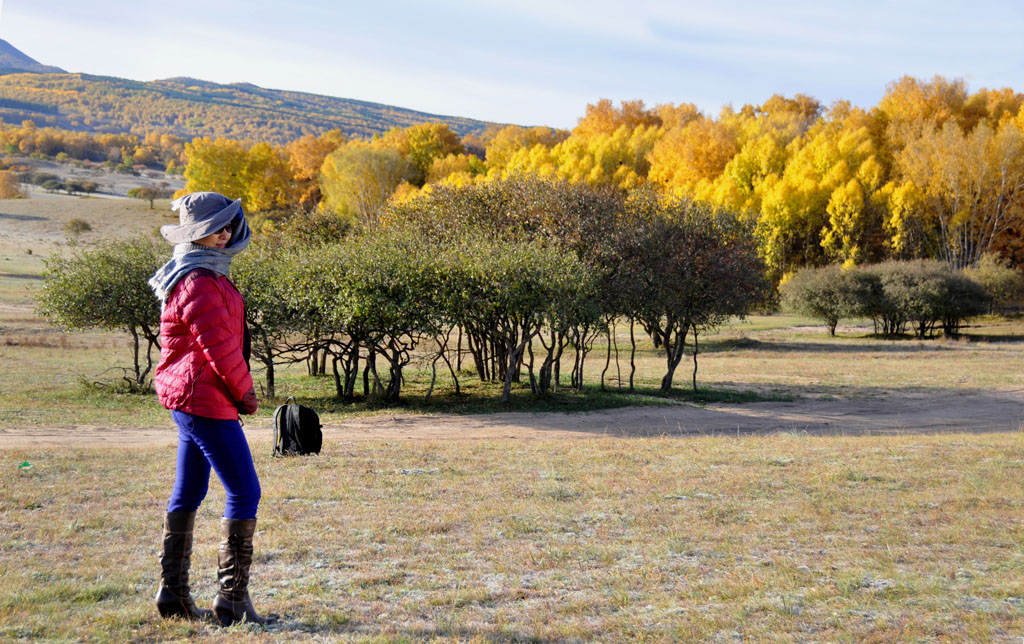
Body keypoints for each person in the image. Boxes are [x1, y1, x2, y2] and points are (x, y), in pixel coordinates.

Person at [148, 191, 273, 626]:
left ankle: (173, 594)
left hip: (192, 397)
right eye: (214, 228)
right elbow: (219, 349)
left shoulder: (197, 274)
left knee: (190, 492)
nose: (224, 235)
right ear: (194, 234)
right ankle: (232, 602)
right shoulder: (198, 280)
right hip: (206, 398)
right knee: (245, 491)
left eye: (227, 226)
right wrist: (247, 396)